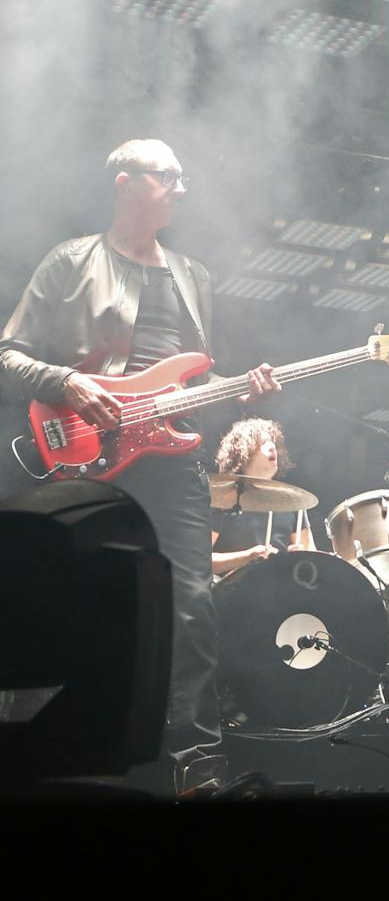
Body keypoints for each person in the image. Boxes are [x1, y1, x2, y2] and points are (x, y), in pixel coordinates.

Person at [0, 139, 280, 793]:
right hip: (82, 452)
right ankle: (52, 759)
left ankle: (196, 764)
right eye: (167, 177)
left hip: (167, 454)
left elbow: (190, 375)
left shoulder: (194, 276)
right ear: (126, 184)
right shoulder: (72, 261)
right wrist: (68, 383)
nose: (181, 188)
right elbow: (7, 356)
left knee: (191, 603)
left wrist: (240, 387)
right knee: (73, 598)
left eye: (183, 177)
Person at [210, 417, 314, 576]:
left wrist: (302, 556)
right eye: (264, 442)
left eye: (273, 442)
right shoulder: (222, 499)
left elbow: (312, 558)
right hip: (230, 594)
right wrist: (247, 558)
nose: (272, 446)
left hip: (279, 591)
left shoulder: (292, 502)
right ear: (243, 451)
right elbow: (199, 561)